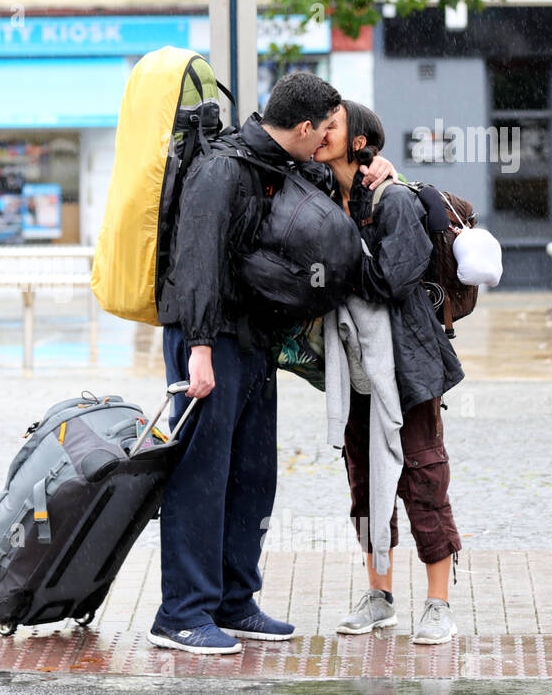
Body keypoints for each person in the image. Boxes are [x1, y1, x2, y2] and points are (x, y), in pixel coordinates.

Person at [148, 73, 395, 655]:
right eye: (326, 129)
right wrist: (200, 351)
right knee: (200, 475)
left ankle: (234, 600)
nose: (329, 139)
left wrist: (380, 167)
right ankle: (181, 615)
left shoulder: (284, 166)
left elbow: (336, 190)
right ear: (303, 128)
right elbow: (196, 261)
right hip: (208, 339)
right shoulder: (222, 170)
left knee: (253, 475)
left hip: (253, 341)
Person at [312, 100, 465, 645]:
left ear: (359, 142)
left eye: (333, 125)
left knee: (423, 478)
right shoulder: (322, 195)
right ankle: (379, 596)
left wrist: (338, 270)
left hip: (408, 364)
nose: (321, 132)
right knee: (365, 481)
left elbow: (394, 279)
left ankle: (439, 603)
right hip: (355, 370)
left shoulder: (393, 198)